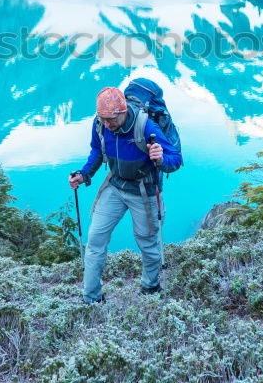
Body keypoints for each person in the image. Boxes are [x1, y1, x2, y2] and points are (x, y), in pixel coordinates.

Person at [68, 86, 182, 303]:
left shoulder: (146, 125)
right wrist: (84, 174)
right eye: (103, 119)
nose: (107, 125)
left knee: (147, 242)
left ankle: (150, 287)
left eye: (111, 120)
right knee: (95, 239)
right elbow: (96, 151)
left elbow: (175, 158)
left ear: (122, 112)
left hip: (144, 190)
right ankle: (91, 298)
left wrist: (160, 159)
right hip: (115, 185)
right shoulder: (101, 124)